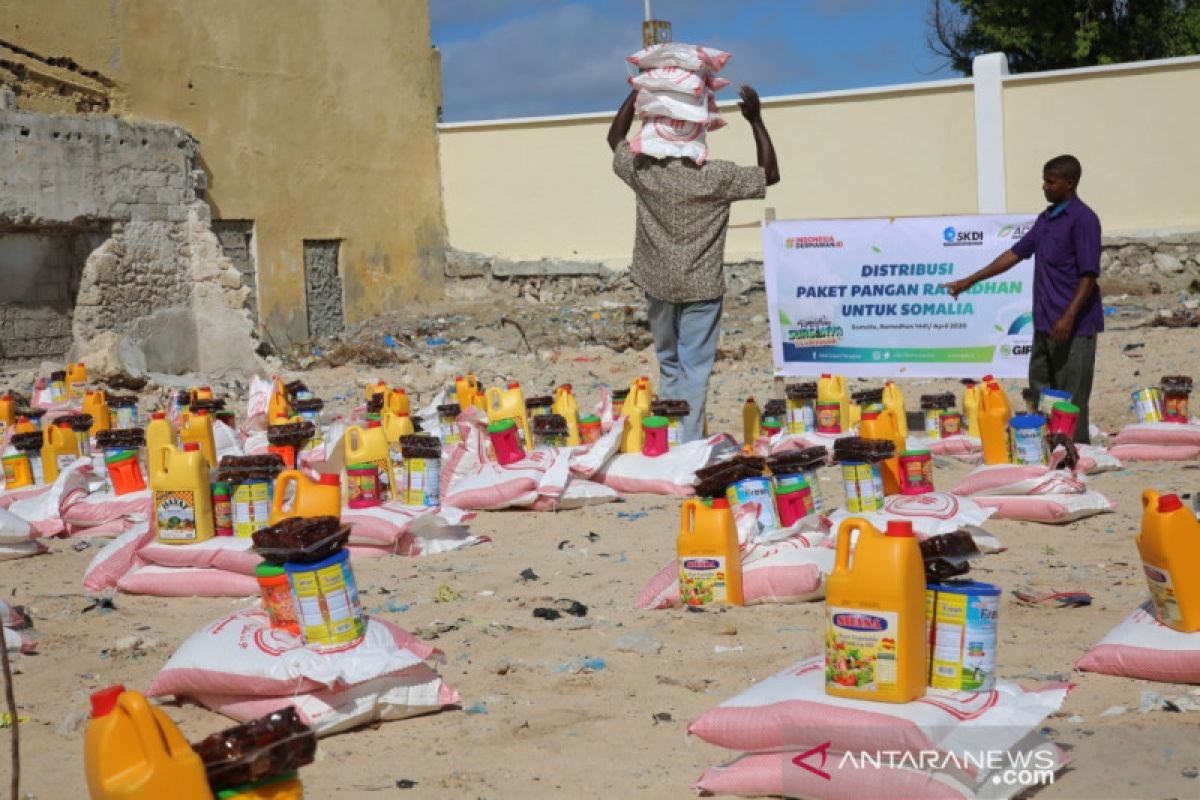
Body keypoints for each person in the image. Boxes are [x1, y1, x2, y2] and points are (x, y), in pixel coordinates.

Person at [607, 84, 779, 442]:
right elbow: (769, 175)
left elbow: (615, 138)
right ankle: (688, 443)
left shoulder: (645, 171)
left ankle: (671, 438)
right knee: (695, 369)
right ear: (698, 134)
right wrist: (756, 121)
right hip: (702, 287)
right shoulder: (716, 177)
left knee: (669, 364)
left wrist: (638, 92)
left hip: (658, 283)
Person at [943, 154, 1102, 443]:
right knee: (1041, 387)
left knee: (1071, 396)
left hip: (1074, 326)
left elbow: (1089, 276)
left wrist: (1069, 316)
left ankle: (1074, 452)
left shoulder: (1084, 220)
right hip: (1045, 321)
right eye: (1044, 180)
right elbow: (1013, 255)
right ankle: (1048, 444)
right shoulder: (1046, 220)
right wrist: (969, 281)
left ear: (1070, 184)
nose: (1044, 186)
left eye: (1050, 182)